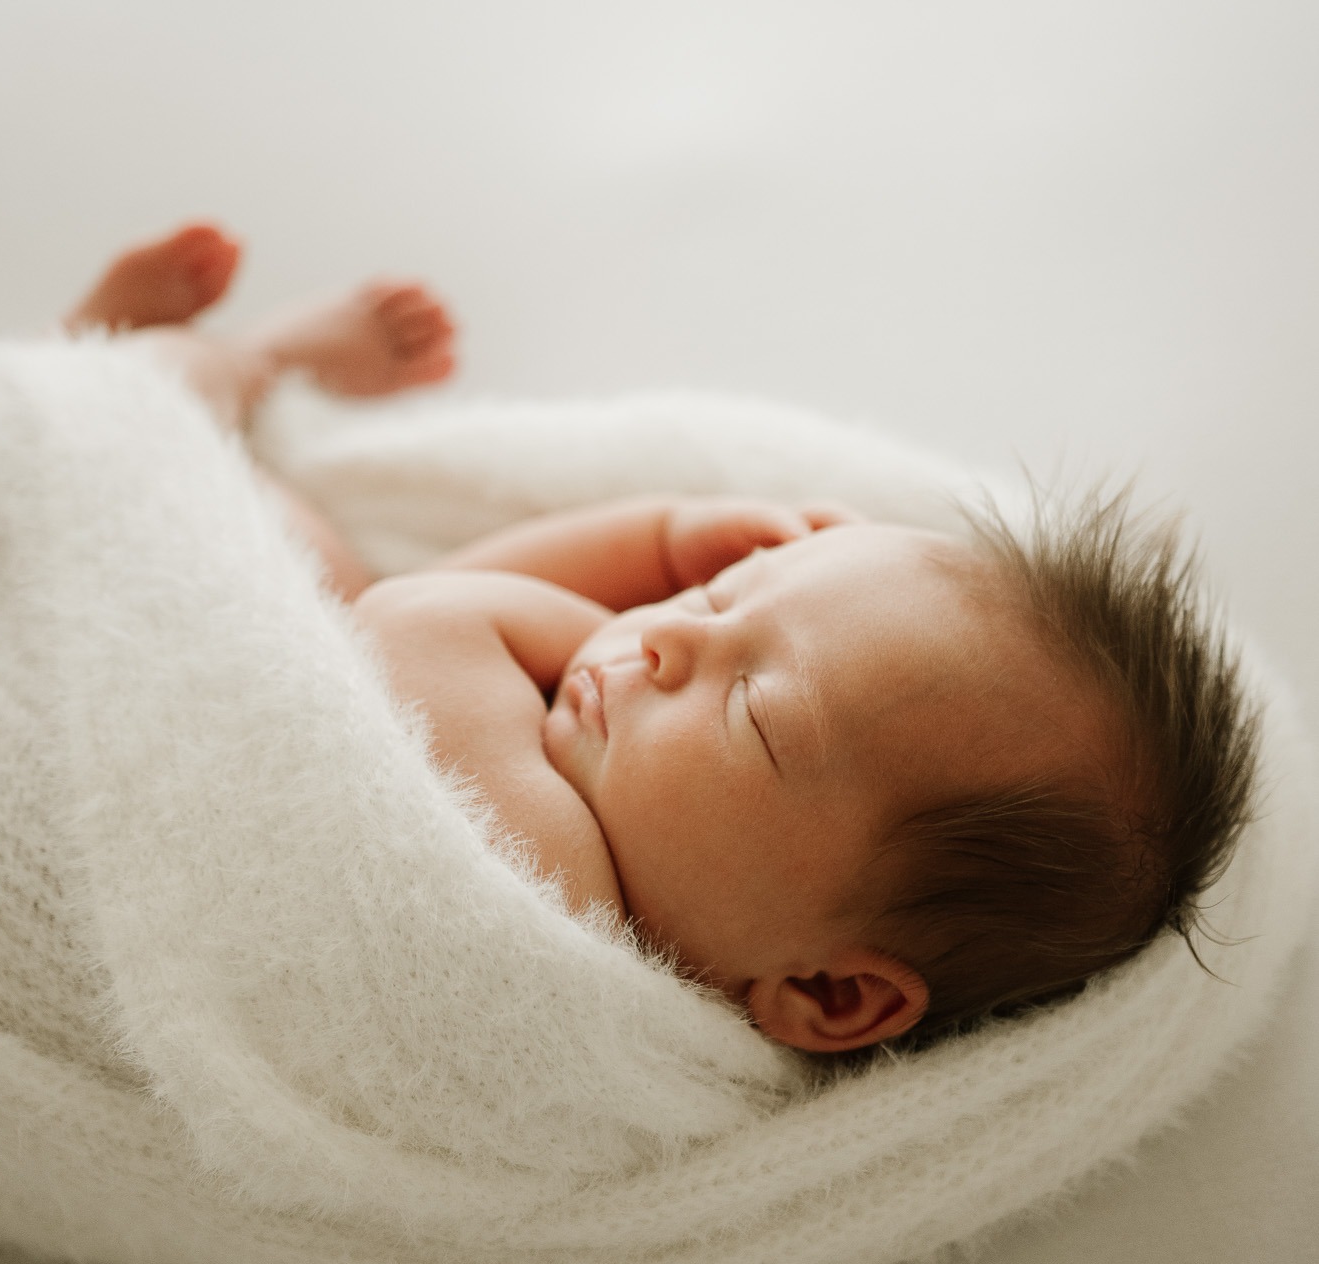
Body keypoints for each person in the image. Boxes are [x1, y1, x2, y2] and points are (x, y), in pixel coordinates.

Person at [65, 222, 1260, 1059]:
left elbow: (419, 614)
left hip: (173, 724)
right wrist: (669, 534)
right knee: (291, 558)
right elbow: (438, 607)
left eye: (752, 710)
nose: (661, 645)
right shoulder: (598, 777)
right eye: (719, 594)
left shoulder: (561, 928)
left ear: (831, 989)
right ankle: (217, 375)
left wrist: (649, 557)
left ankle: (180, 368)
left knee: (272, 541)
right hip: (244, 660)